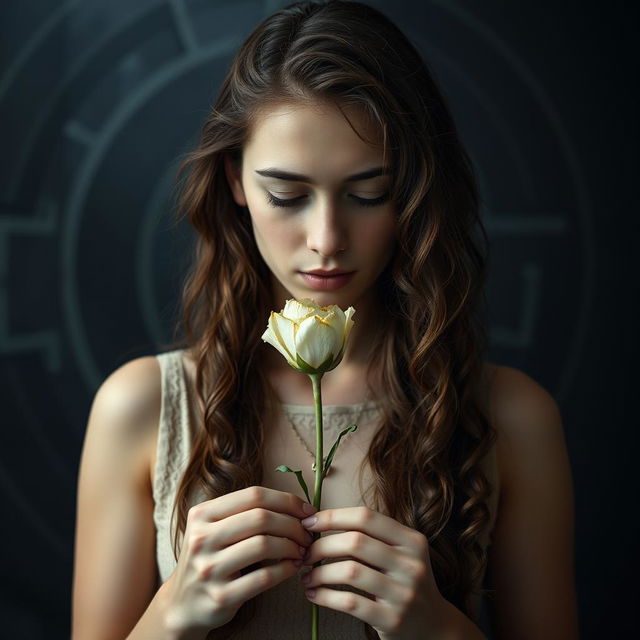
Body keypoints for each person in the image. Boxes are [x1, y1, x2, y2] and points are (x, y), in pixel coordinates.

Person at [71, 1, 579, 638]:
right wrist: (173, 614)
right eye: (287, 195)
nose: (326, 238)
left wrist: (438, 628)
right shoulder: (142, 407)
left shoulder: (510, 417)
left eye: (369, 193)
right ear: (234, 181)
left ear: (415, 189)